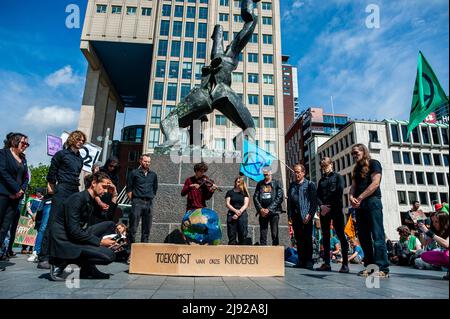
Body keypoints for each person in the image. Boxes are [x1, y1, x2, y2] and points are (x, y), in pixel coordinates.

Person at [158, 0, 261, 149]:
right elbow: (249, 24)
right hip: (219, 94)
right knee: (249, 128)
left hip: (205, 95)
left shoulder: (224, 57)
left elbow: (247, 25)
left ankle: (175, 141)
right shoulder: (228, 57)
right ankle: (241, 151)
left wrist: (248, 3)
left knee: (168, 122)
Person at [48, 172, 117, 281]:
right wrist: (100, 242)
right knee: (109, 256)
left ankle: (86, 268)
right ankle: (59, 263)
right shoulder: (77, 199)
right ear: (94, 183)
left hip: (76, 236)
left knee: (110, 225)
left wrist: (114, 196)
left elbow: (107, 217)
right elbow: (74, 231)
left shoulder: (91, 200)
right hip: (65, 241)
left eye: (107, 188)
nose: (105, 191)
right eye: (104, 187)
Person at [38, 130, 86, 270]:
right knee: (53, 223)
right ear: (72, 139)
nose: (81, 142)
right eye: (79, 139)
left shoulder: (80, 158)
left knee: (69, 223)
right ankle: (44, 257)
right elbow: (52, 173)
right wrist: (52, 188)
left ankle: (60, 256)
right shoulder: (61, 154)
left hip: (74, 190)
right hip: (62, 188)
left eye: (83, 140)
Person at [349, 143, 389, 278]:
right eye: (352, 153)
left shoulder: (374, 163)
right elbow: (353, 187)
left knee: (378, 236)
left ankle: (383, 268)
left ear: (363, 152)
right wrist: (350, 196)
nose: (354, 155)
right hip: (360, 205)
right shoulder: (355, 169)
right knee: (364, 237)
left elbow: (375, 183)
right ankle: (370, 267)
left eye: (356, 153)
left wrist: (360, 197)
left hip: (373, 202)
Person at [0, 132, 30, 271]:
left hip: (16, 197)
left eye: (27, 144)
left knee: (5, 227)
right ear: (14, 142)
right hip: (3, 194)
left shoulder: (23, 158)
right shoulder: (3, 154)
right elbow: (3, 172)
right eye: (23, 143)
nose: (25, 146)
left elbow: (26, 177)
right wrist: (15, 189)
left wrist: (21, 190)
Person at [315, 157, 349, 273]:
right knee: (325, 236)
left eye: (326, 166)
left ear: (331, 165)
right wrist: (321, 206)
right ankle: (327, 263)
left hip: (335, 209)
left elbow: (339, 193)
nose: (324, 168)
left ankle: (345, 264)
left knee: (340, 234)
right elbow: (318, 196)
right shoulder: (321, 181)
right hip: (324, 210)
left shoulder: (338, 177)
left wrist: (329, 208)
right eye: (323, 166)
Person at [286, 164, 317, 269]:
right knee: (298, 239)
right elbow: (289, 201)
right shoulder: (292, 185)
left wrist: (310, 214)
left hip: (306, 216)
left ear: (303, 173)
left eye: (298, 172)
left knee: (307, 239)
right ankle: (301, 261)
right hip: (295, 216)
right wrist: (289, 215)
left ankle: (309, 261)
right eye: (295, 172)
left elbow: (314, 202)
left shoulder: (310, 184)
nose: (296, 174)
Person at [126, 154, 158, 244]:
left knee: (146, 228)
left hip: (149, 203)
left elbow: (155, 188)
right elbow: (129, 188)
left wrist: (150, 196)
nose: (147, 163)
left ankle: (143, 250)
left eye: (148, 162)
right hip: (137, 202)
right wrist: (134, 200)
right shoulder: (134, 173)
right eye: (145, 161)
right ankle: (130, 249)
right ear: (140, 161)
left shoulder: (153, 175)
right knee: (133, 228)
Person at [254, 167, 284, 246]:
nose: (265, 176)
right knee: (263, 233)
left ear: (271, 172)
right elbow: (255, 197)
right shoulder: (260, 184)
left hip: (274, 212)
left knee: (274, 233)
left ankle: (275, 251)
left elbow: (279, 197)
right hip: (262, 213)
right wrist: (260, 209)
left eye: (266, 174)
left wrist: (269, 209)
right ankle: (263, 251)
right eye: (264, 174)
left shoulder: (277, 183)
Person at [417, 212, 449, 280]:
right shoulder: (438, 230)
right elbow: (425, 244)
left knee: (446, 254)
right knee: (424, 255)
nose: (434, 224)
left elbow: (446, 244)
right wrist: (422, 232)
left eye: (436, 221)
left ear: (443, 221)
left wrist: (429, 232)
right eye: (433, 221)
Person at [225, 176, 250, 245]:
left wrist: (238, 213)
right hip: (231, 214)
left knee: (242, 233)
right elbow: (227, 204)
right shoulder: (230, 192)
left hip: (242, 215)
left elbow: (246, 204)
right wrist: (235, 211)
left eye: (239, 182)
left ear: (242, 183)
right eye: (237, 181)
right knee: (231, 234)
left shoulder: (245, 193)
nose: (238, 183)